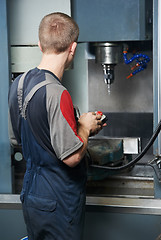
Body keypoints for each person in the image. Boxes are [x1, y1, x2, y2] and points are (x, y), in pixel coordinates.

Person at [8, 12, 106, 240]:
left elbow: (19, 140)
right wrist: (84, 127)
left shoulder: (18, 84)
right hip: (59, 201)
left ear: (40, 44)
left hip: (32, 195)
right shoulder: (57, 92)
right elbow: (71, 158)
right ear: (73, 48)